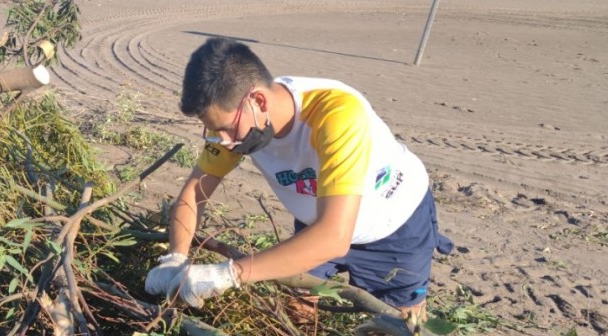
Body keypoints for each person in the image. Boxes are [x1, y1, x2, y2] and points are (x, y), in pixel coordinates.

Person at [145, 37, 453, 320]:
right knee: (298, 310)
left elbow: (334, 238)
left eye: (226, 129)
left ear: (259, 101)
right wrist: (176, 257)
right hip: (318, 221)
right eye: (213, 131)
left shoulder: (336, 115)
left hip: (394, 229)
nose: (222, 141)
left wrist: (230, 273)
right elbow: (195, 192)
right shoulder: (237, 126)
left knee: (399, 327)